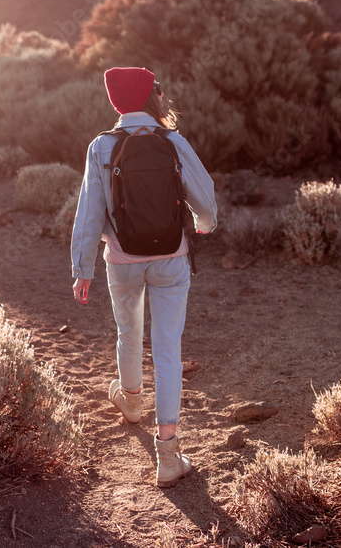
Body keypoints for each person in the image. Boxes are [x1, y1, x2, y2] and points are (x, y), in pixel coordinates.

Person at [70, 66, 218, 488]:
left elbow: (88, 212)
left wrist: (83, 268)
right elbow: (204, 197)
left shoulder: (101, 146)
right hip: (172, 258)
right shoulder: (172, 141)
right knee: (168, 348)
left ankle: (131, 403)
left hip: (121, 258)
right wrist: (204, 224)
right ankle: (168, 457)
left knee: (128, 330)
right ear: (152, 97)